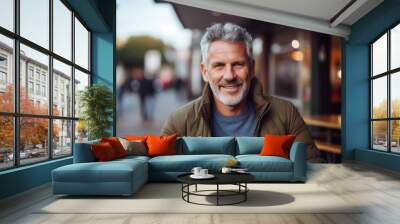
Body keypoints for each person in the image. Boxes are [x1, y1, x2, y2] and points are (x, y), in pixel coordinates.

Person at [161, 23, 316, 158]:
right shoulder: (179, 122)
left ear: (252, 68)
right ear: (204, 72)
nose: (229, 76)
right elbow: (161, 176)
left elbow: (313, 168)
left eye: (238, 64)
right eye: (219, 65)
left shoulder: (286, 114)